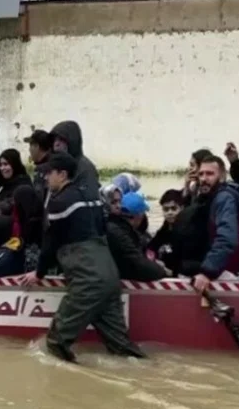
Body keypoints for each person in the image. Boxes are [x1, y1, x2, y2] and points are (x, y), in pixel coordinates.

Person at [20, 152, 146, 362]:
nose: (45, 177)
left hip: (87, 280)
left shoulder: (59, 203)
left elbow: (51, 243)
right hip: (109, 275)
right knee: (122, 347)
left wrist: (39, 273)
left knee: (56, 343)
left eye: (49, 173)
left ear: (62, 174)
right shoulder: (92, 198)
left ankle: (72, 386)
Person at [191, 155, 239, 293]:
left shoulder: (224, 198)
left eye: (210, 174)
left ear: (222, 176)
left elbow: (227, 238)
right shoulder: (211, 197)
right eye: (201, 174)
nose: (204, 179)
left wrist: (207, 271)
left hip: (226, 276)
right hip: (222, 271)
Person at [106, 193, 169, 281]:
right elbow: (138, 263)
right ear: (139, 216)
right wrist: (163, 271)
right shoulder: (119, 233)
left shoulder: (120, 228)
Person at [49, 121, 100, 197]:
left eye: (61, 140)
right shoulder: (57, 165)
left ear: (72, 141)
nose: (56, 144)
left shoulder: (85, 168)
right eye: (54, 140)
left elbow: (89, 200)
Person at [147, 189, 184, 274]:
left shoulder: (188, 232)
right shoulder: (162, 231)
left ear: (181, 208)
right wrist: (153, 260)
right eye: (166, 209)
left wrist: (173, 271)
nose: (170, 213)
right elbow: (150, 249)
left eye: (173, 208)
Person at [27, 129, 53, 203]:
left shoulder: (43, 169)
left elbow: (38, 200)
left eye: (30, 146)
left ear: (37, 146)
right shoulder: (50, 164)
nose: (29, 149)